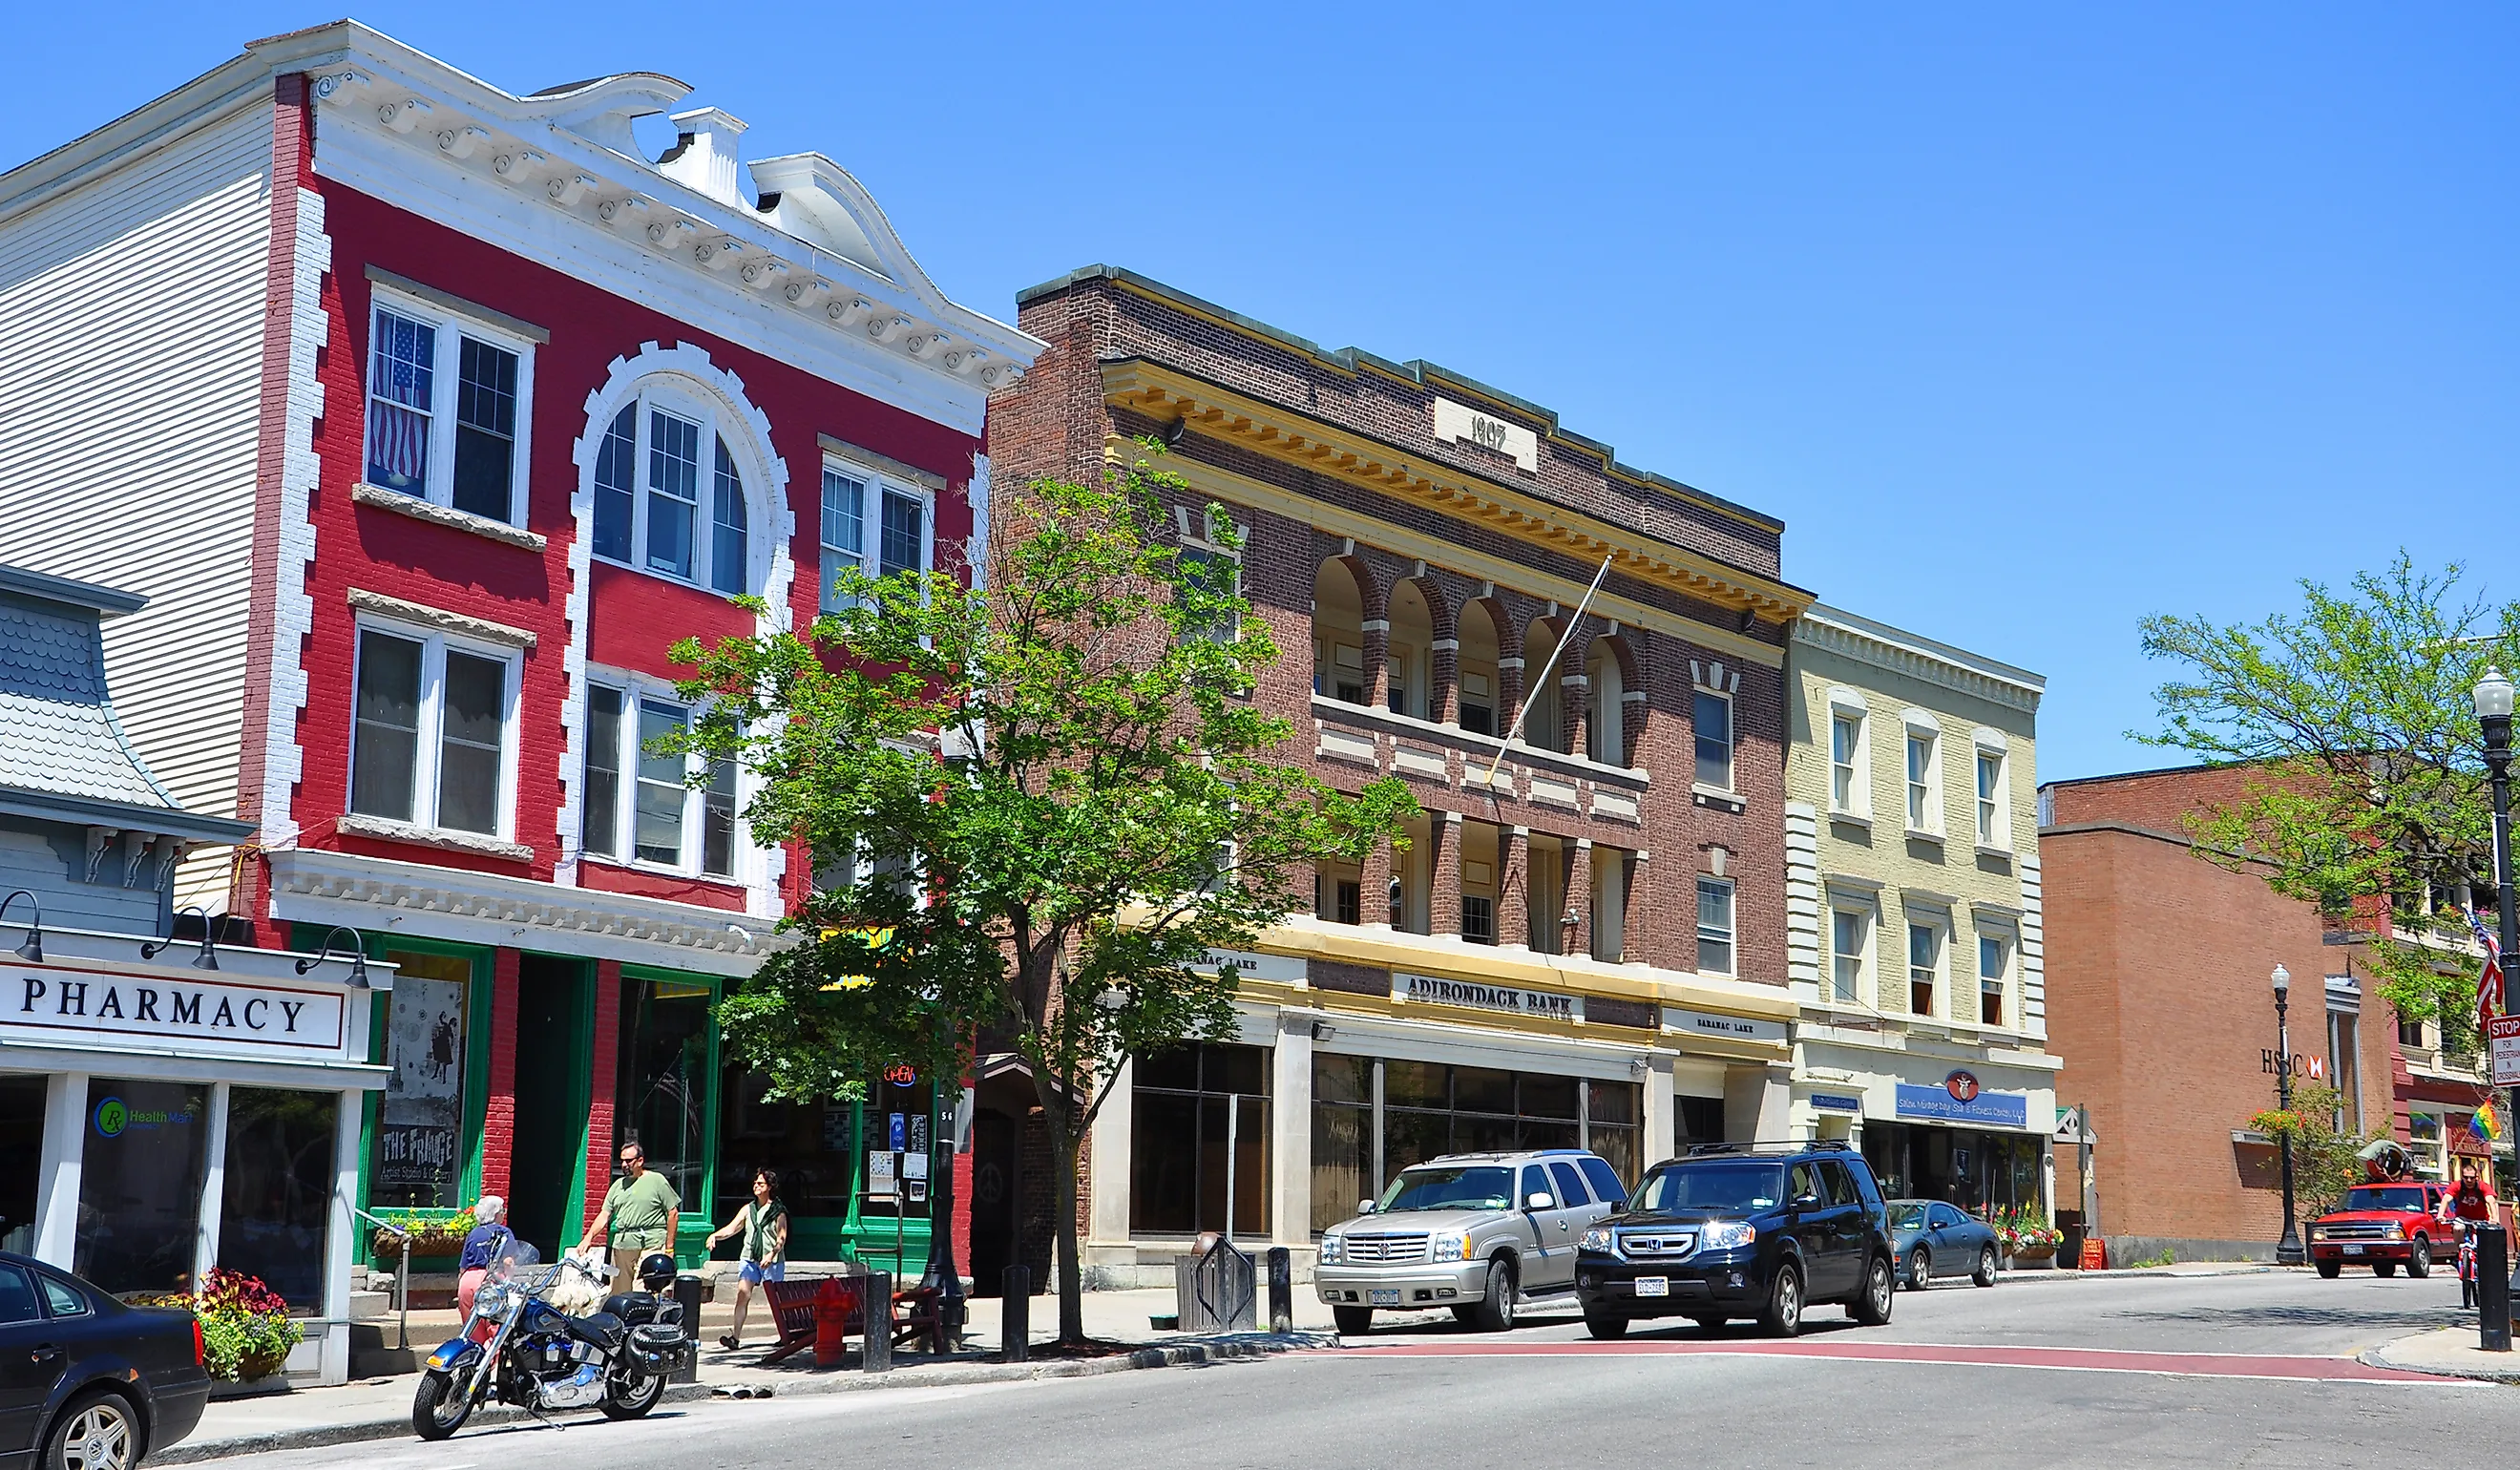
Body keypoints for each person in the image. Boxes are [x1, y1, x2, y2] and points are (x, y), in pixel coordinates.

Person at [704, 1168, 789, 1350]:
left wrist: (771, 1254)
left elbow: (781, 1238)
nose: (756, 1186)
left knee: (776, 1301)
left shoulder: (778, 1211)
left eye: (760, 1184)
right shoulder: (748, 1209)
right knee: (742, 1295)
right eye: (755, 1183)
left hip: (771, 1260)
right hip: (749, 1257)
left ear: (769, 1187)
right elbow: (732, 1228)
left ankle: (785, 1335)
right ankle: (735, 1338)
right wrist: (715, 1236)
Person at [581, 1141, 681, 1290]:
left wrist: (669, 1248)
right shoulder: (618, 1185)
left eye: (628, 1161)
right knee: (619, 1291)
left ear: (640, 1161)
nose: (623, 1165)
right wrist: (588, 1238)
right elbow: (604, 1215)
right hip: (623, 1245)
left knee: (643, 1289)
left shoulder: (657, 1181)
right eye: (622, 1160)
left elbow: (673, 1213)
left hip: (651, 1242)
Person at [456, 1196, 514, 1342]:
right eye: (502, 1211)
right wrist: (510, 1282)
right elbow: (508, 1262)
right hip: (489, 1280)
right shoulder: (504, 1232)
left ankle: (475, 1360)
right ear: (496, 1214)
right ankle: (492, 1363)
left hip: (467, 1281)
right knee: (495, 1330)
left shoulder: (474, 1233)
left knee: (472, 1328)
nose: (504, 1214)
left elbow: (463, 1266)